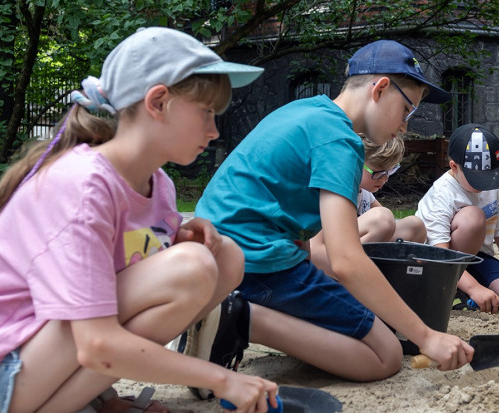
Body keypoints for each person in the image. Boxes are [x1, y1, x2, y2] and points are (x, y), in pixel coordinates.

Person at [0, 27, 279, 413]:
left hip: (36, 354)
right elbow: (96, 342)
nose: (214, 131)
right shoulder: (82, 186)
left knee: (223, 256)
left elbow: (126, 271)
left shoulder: (159, 184)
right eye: (207, 112)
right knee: (191, 267)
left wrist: (177, 236)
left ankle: (90, 397)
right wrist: (220, 378)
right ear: (158, 103)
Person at [193, 40, 473, 382]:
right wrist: (427, 336)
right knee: (384, 356)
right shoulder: (342, 140)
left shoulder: (305, 110)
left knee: (359, 315)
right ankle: (238, 318)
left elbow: (299, 229)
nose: (404, 125)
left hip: (221, 256)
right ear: (381, 88)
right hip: (257, 265)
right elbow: (345, 259)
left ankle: (235, 311)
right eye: (407, 110)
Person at [416, 123, 499, 315]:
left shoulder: (493, 187)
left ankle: (462, 286)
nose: (485, 183)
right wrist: (475, 288)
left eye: (490, 175)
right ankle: (456, 286)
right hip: (437, 261)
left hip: (475, 257)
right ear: (454, 166)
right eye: (477, 177)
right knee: (474, 217)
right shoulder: (442, 193)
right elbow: (439, 252)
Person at [309, 136, 426, 278]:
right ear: (356, 161)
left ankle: (398, 276)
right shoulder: (336, 190)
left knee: (415, 225)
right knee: (382, 219)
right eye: (378, 173)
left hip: (358, 246)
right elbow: (314, 247)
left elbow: (392, 229)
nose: (385, 178)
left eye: (390, 171)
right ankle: (356, 272)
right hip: (334, 256)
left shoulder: (364, 193)